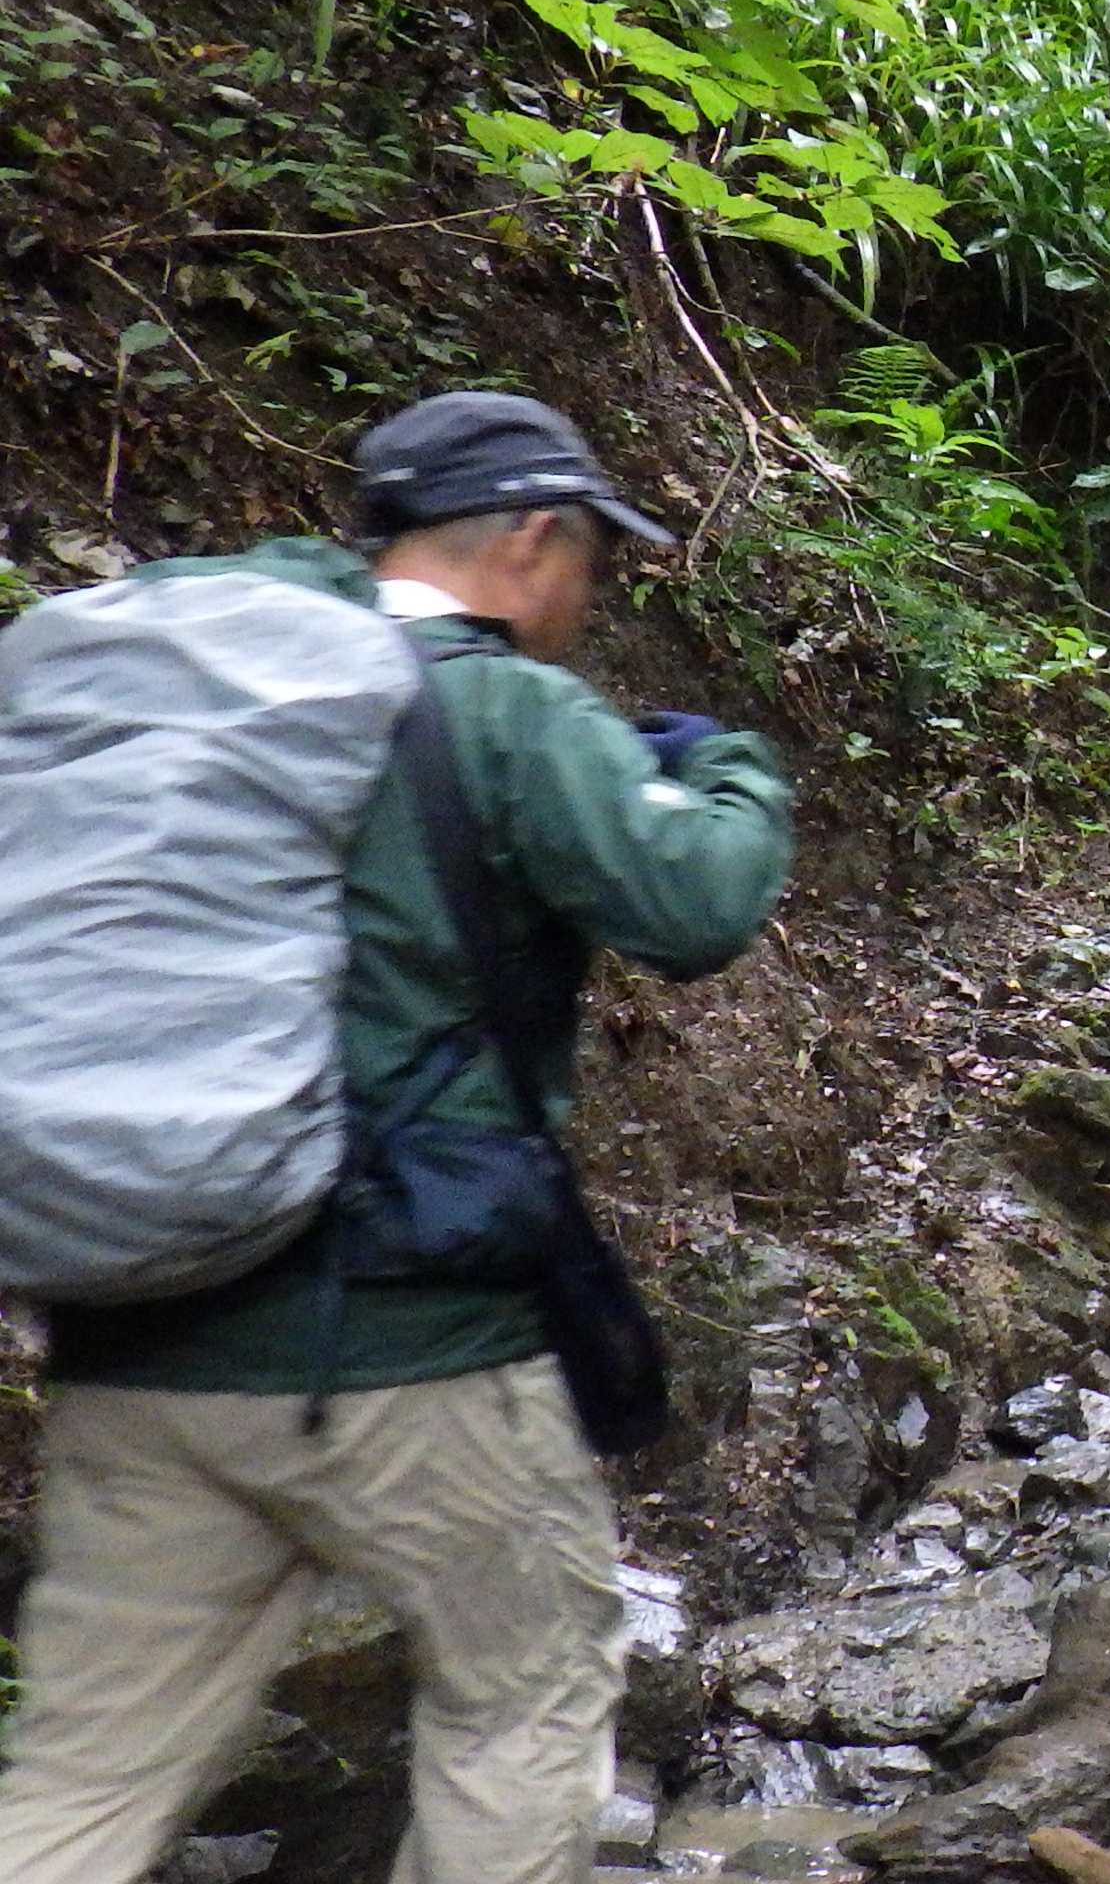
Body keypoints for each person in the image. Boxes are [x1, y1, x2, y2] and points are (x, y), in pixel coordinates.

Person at [0, 391, 795, 1882]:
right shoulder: (499, 709)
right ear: (538, 537)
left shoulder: (213, 693)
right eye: (594, 561)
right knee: (528, 1698)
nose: (591, 594)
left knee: (85, 1775)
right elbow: (694, 904)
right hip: (407, 1353)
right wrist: (730, 769)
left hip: (129, 1327)